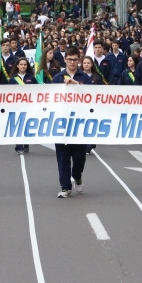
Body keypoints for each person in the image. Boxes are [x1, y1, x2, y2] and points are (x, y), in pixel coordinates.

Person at [52, 46, 92, 198]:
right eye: (69, 60)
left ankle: (77, 176)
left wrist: (77, 85)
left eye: (75, 60)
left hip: (79, 123)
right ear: (65, 59)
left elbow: (92, 95)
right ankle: (65, 187)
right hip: (62, 122)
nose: (72, 62)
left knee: (79, 157)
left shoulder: (84, 77)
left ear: (79, 60)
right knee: (62, 157)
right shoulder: (57, 78)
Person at [9, 57, 37, 155]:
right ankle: (19, 146)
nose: (23, 66)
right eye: (21, 64)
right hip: (17, 106)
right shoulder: (13, 79)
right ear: (17, 65)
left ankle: (26, 143)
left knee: (26, 125)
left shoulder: (31, 77)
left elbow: (36, 91)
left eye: (25, 64)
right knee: (18, 125)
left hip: (29, 105)